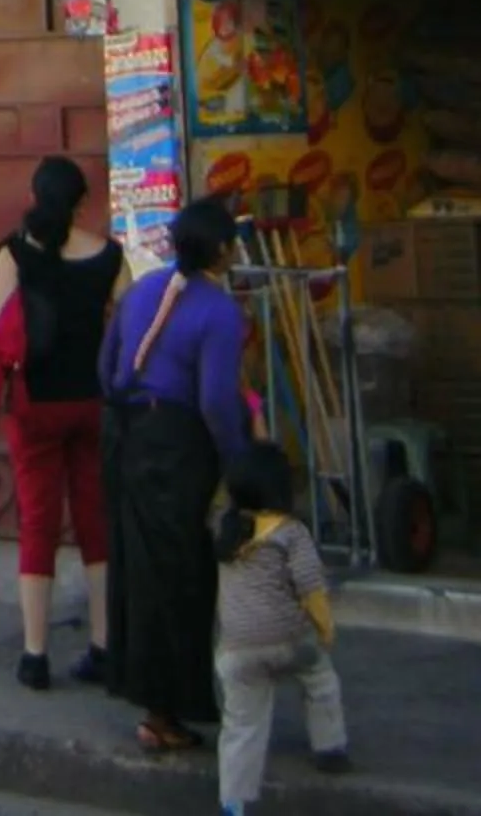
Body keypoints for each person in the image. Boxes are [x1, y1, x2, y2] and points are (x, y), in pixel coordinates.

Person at [100, 195, 251, 755]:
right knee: (182, 578)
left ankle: (151, 702)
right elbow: (216, 399)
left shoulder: (143, 291)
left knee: (139, 571)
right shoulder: (218, 311)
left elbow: (108, 364)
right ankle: (165, 711)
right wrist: (237, 461)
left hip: (130, 438)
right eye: (232, 242)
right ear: (219, 250)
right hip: (178, 446)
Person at [0, 153, 128, 690]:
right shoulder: (111, 257)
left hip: (35, 403)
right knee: (94, 518)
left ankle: (35, 653)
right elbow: (128, 334)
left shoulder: (16, 253)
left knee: (38, 522)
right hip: (92, 400)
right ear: (83, 202)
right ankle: (104, 645)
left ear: (35, 199)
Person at [214, 437, 351, 811]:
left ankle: (234, 802)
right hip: (289, 639)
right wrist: (325, 629)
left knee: (242, 726)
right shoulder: (292, 534)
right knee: (320, 677)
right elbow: (311, 589)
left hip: (237, 649)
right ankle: (330, 747)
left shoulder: (226, 531)